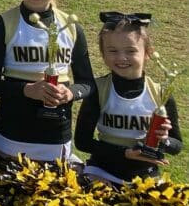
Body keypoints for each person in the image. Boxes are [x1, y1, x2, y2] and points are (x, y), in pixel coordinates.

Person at [0, 0, 94, 162]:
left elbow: (88, 83)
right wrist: (27, 90)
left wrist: (71, 93)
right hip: (12, 135)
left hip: (57, 136)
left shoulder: (70, 26)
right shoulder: (6, 24)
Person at [76, 13, 181, 184]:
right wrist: (124, 153)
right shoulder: (98, 89)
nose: (121, 57)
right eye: (113, 51)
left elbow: (177, 146)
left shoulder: (161, 94)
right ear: (103, 54)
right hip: (102, 172)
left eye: (131, 51)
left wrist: (165, 140)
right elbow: (82, 142)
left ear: (147, 53)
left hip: (145, 178)